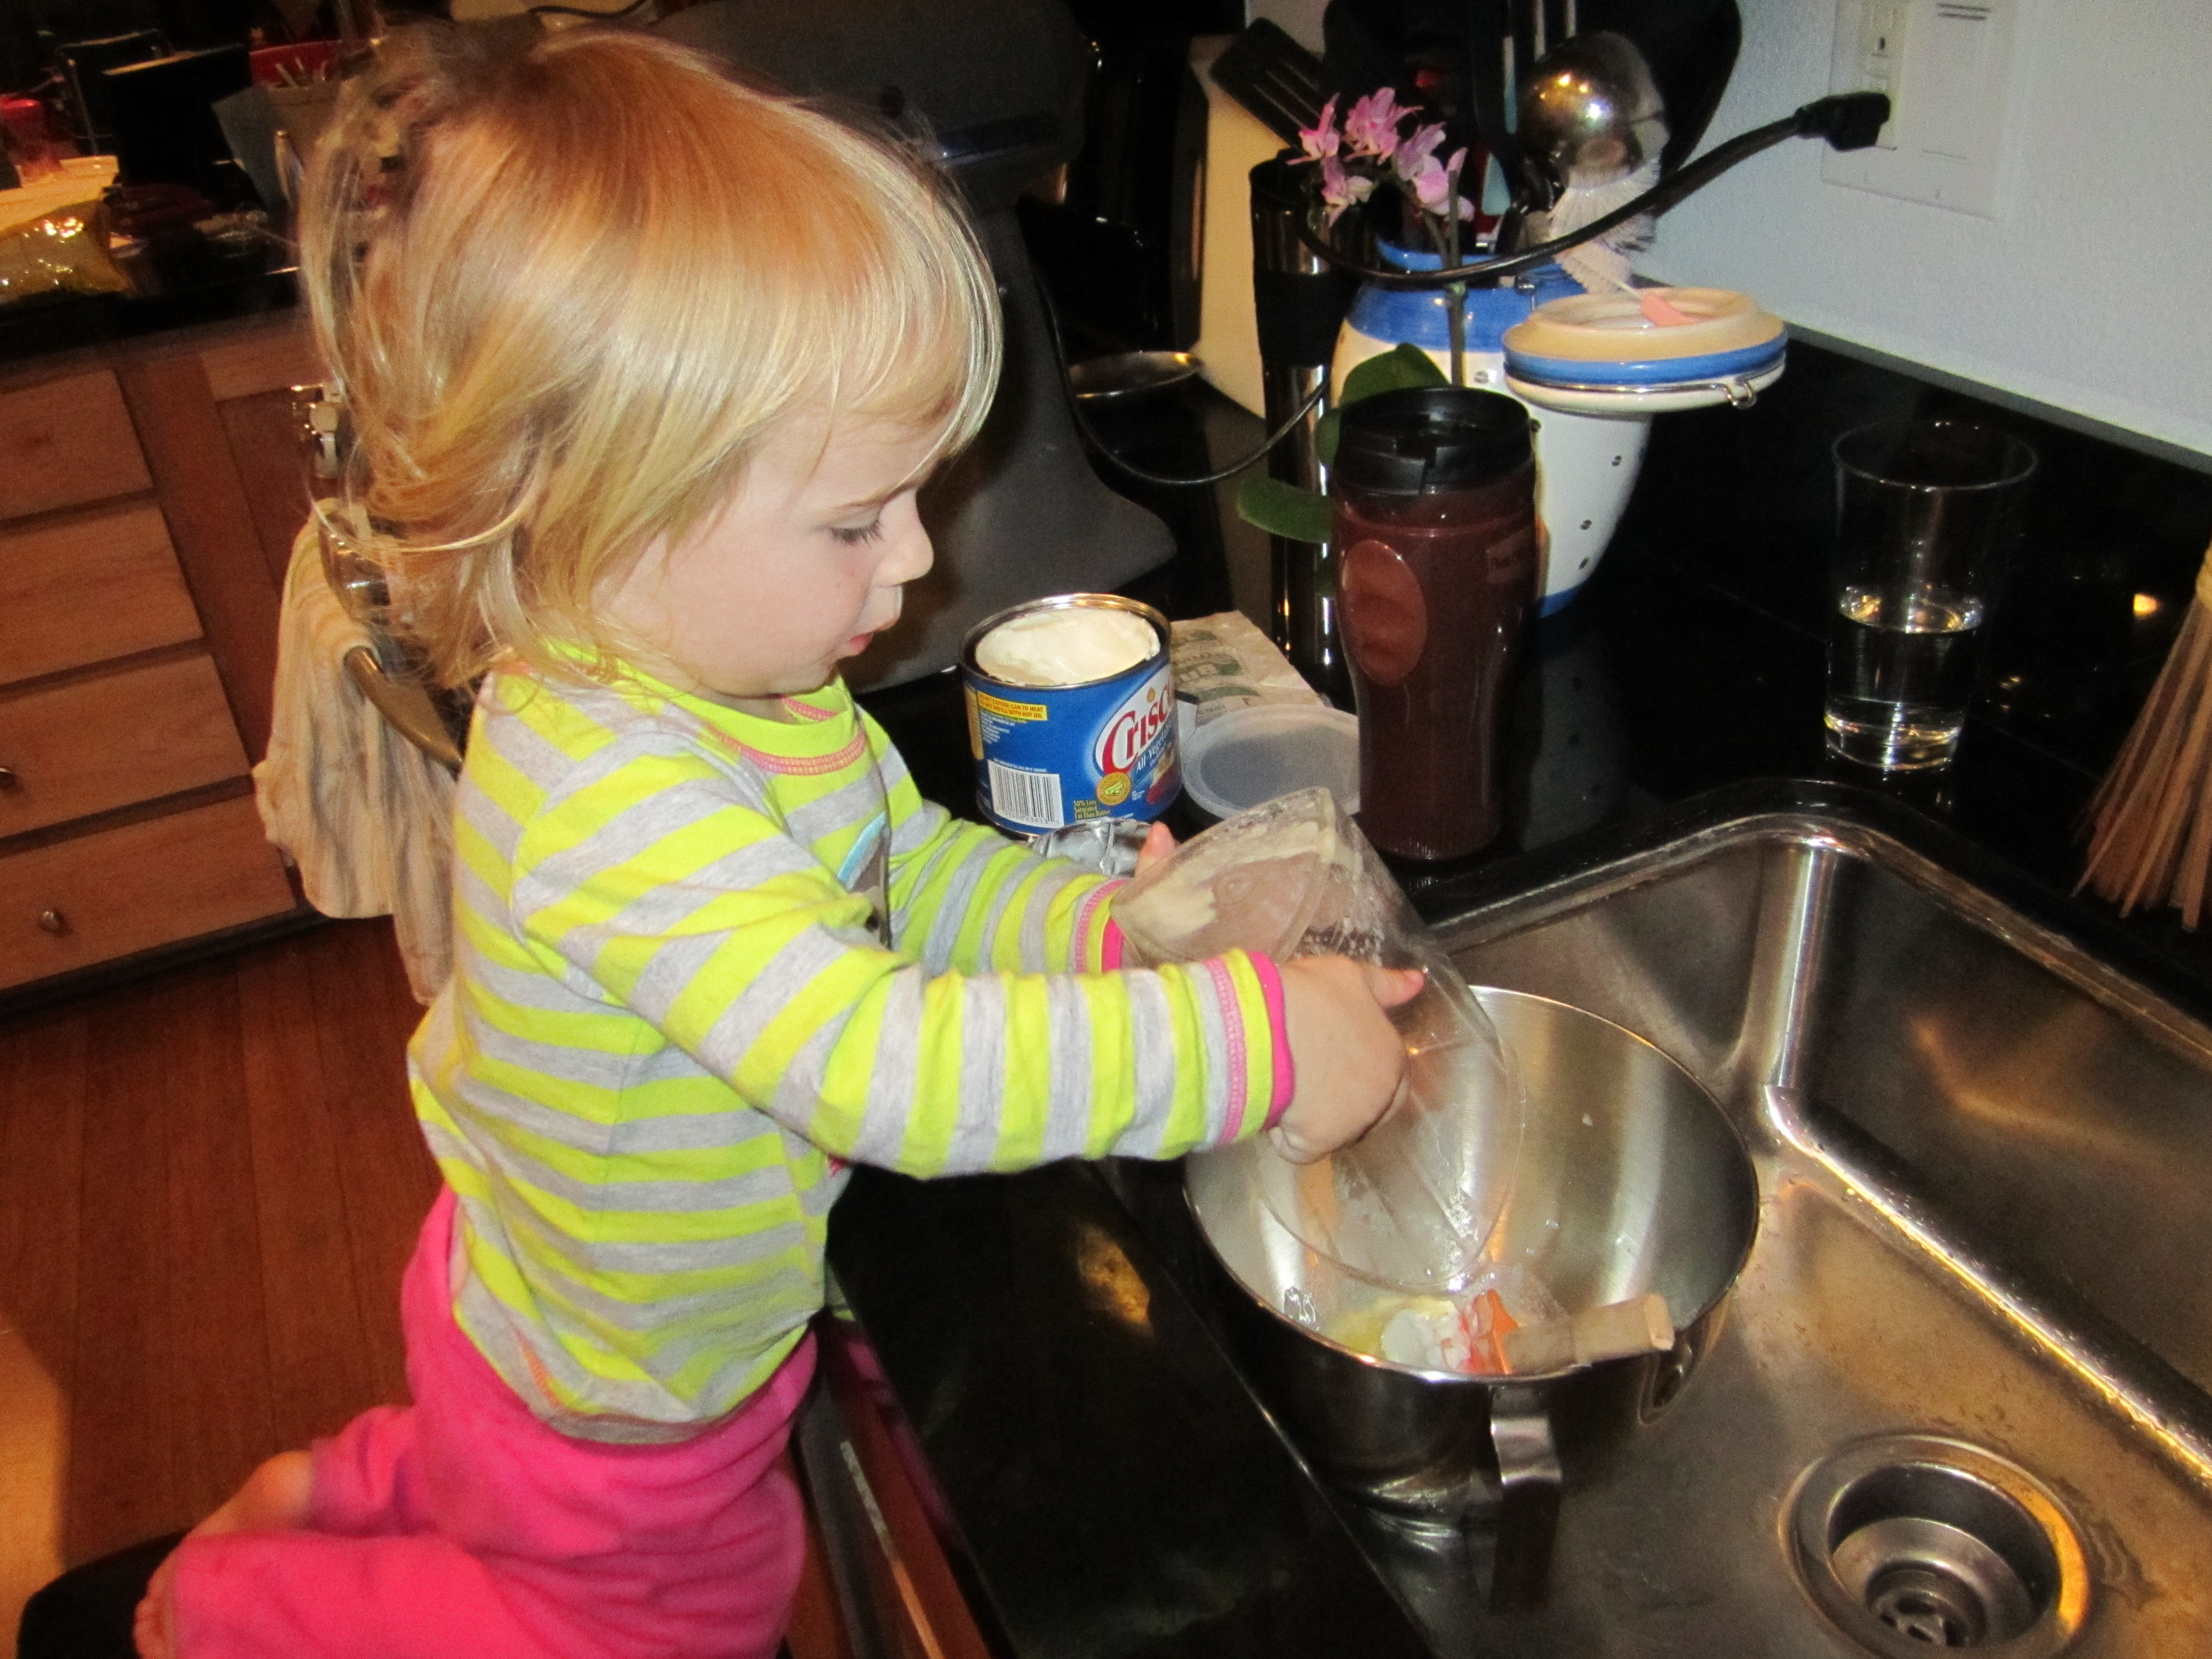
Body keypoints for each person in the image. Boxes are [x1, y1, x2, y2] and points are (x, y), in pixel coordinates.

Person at [126, 22, 1420, 1659]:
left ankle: (356, 1489)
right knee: (677, 1619)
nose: (915, 565)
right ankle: (249, 1608)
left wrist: (1106, 937)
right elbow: (882, 1069)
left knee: (492, 1475)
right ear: (605, 505)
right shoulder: (613, 804)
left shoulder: (749, 689)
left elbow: (909, 871)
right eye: (854, 520)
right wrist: (1256, 1044)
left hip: (548, 1309)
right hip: (619, 1397)